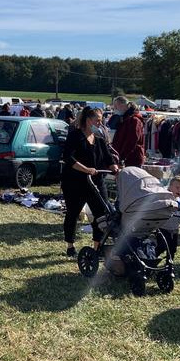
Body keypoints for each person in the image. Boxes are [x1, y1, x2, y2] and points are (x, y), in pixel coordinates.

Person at [60, 106, 120, 257]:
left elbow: (108, 158)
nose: (100, 123)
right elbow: (68, 157)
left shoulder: (99, 139)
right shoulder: (75, 136)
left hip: (96, 183)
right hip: (75, 182)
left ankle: (97, 246)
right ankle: (70, 245)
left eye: (101, 120)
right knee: (73, 213)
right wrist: (86, 169)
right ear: (88, 120)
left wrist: (114, 167)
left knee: (101, 216)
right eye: (97, 120)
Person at [109, 96, 145, 167]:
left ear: (124, 106)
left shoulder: (134, 120)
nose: (115, 108)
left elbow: (132, 141)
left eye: (116, 106)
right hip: (124, 157)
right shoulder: (124, 119)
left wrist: (122, 157)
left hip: (132, 158)